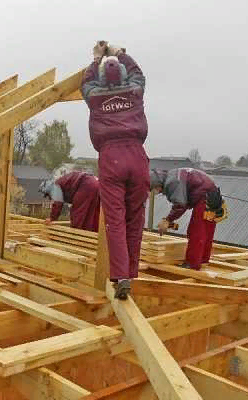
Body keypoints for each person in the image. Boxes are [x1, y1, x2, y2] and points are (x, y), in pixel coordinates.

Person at [81, 41, 149, 300]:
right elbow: (138, 74)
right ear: (122, 75)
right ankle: (130, 273)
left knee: (115, 221)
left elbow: (86, 83)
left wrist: (96, 58)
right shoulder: (134, 91)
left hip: (111, 158)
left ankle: (120, 275)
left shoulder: (96, 96)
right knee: (135, 218)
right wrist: (119, 53)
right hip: (137, 156)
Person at [150, 168, 227, 270]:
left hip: (205, 198)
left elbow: (180, 204)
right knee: (206, 231)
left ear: (157, 184)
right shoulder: (172, 175)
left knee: (196, 232)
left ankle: (192, 264)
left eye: (155, 189)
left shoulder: (172, 182)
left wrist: (167, 220)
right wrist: (170, 220)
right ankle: (203, 260)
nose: (157, 192)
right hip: (212, 196)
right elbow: (184, 201)